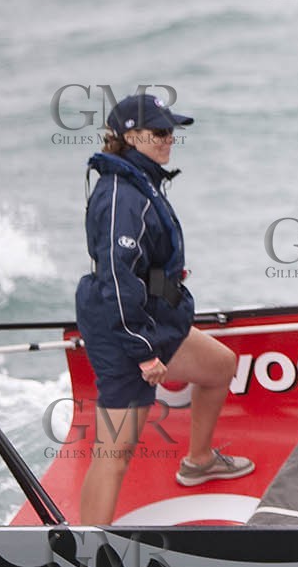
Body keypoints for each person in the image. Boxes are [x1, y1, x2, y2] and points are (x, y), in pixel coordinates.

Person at [74, 94, 252, 525]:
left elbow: (138, 268)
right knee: (114, 454)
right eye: (159, 132)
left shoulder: (141, 180)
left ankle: (198, 460)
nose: (169, 139)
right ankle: (85, 549)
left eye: (172, 131)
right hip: (125, 332)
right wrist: (143, 351)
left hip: (153, 320)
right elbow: (117, 280)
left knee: (220, 365)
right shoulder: (121, 196)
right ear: (131, 137)